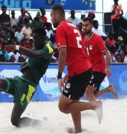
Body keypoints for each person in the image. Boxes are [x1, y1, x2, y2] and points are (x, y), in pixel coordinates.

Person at [0, 27, 53, 127]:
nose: (34, 42)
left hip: (28, 87)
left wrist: (17, 48)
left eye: (37, 40)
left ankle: (41, 123)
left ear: (44, 38)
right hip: (19, 80)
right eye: (34, 39)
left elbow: (36, 55)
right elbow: (32, 57)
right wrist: (26, 63)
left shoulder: (48, 48)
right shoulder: (36, 46)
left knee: (15, 121)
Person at [50, 4, 103, 133]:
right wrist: (71, 71)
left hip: (80, 70)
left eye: (51, 16)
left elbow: (63, 52)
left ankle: (95, 105)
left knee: (63, 106)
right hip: (84, 68)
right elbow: (81, 49)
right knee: (74, 102)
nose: (51, 19)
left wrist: (59, 75)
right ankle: (78, 130)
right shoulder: (73, 26)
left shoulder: (61, 28)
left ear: (57, 15)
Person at [82, 17, 119, 101]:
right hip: (91, 70)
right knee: (91, 95)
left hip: (99, 69)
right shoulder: (83, 40)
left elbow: (108, 53)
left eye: (86, 25)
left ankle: (97, 111)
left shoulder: (97, 38)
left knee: (88, 92)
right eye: (83, 25)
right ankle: (108, 89)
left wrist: (107, 67)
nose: (84, 27)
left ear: (91, 26)